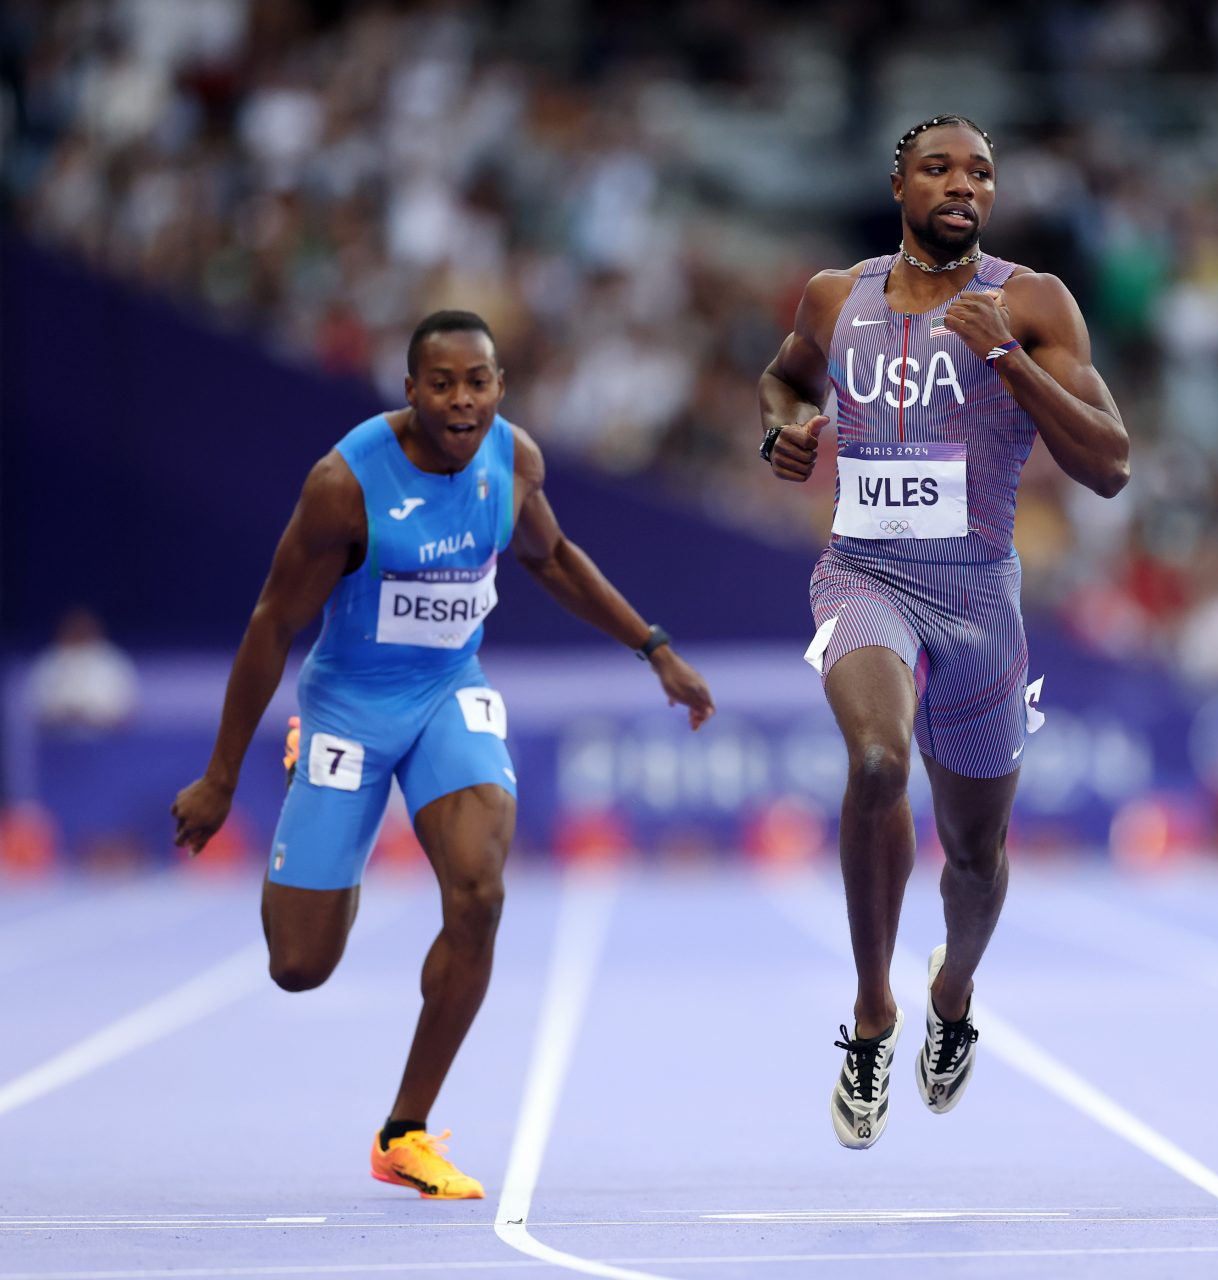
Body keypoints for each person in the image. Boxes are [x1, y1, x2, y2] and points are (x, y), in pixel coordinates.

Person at [171, 311, 714, 1197]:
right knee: (299, 966)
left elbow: (556, 559)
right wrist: (222, 776)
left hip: (446, 695)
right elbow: (274, 622)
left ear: (499, 387)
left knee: (479, 889)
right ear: (412, 389)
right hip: (346, 708)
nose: (462, 401)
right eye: (443, 384)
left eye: (480, 383)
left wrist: (654, 649)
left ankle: (404, 1132)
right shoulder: (344, 485)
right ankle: (323, 810)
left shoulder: (515, 459)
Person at [758, 115, 1129, 1149]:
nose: (963, 184)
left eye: (981, 172)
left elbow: (1110, 463)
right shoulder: (838, 296)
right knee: (877, 760)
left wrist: (1008, 354)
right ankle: (873, 1010)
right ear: (899, 185)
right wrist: (785, 427)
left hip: (979, 605)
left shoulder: (1032, 301)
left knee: (976, 852)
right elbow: (785, 377)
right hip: (864, 578)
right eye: (939, 168)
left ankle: (951, 991)